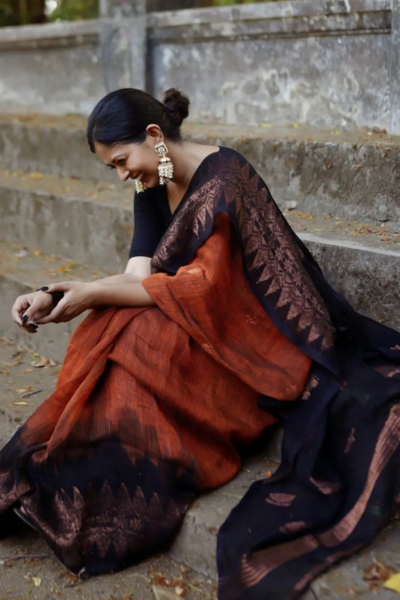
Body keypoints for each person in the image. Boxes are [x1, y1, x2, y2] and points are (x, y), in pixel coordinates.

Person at [2, 88, 400, 600]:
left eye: (122, 161)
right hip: (195, 322)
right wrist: (52, 294)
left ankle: (127, 485)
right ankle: (91, 470)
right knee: (111, 321)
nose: (123, 175)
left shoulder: (226, 177)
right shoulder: (154, 183)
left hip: (254, 340)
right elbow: (137, 276)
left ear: (153, 137)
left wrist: (93, 295)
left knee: (133, 331)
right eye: (112, 168)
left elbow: (206, 286)